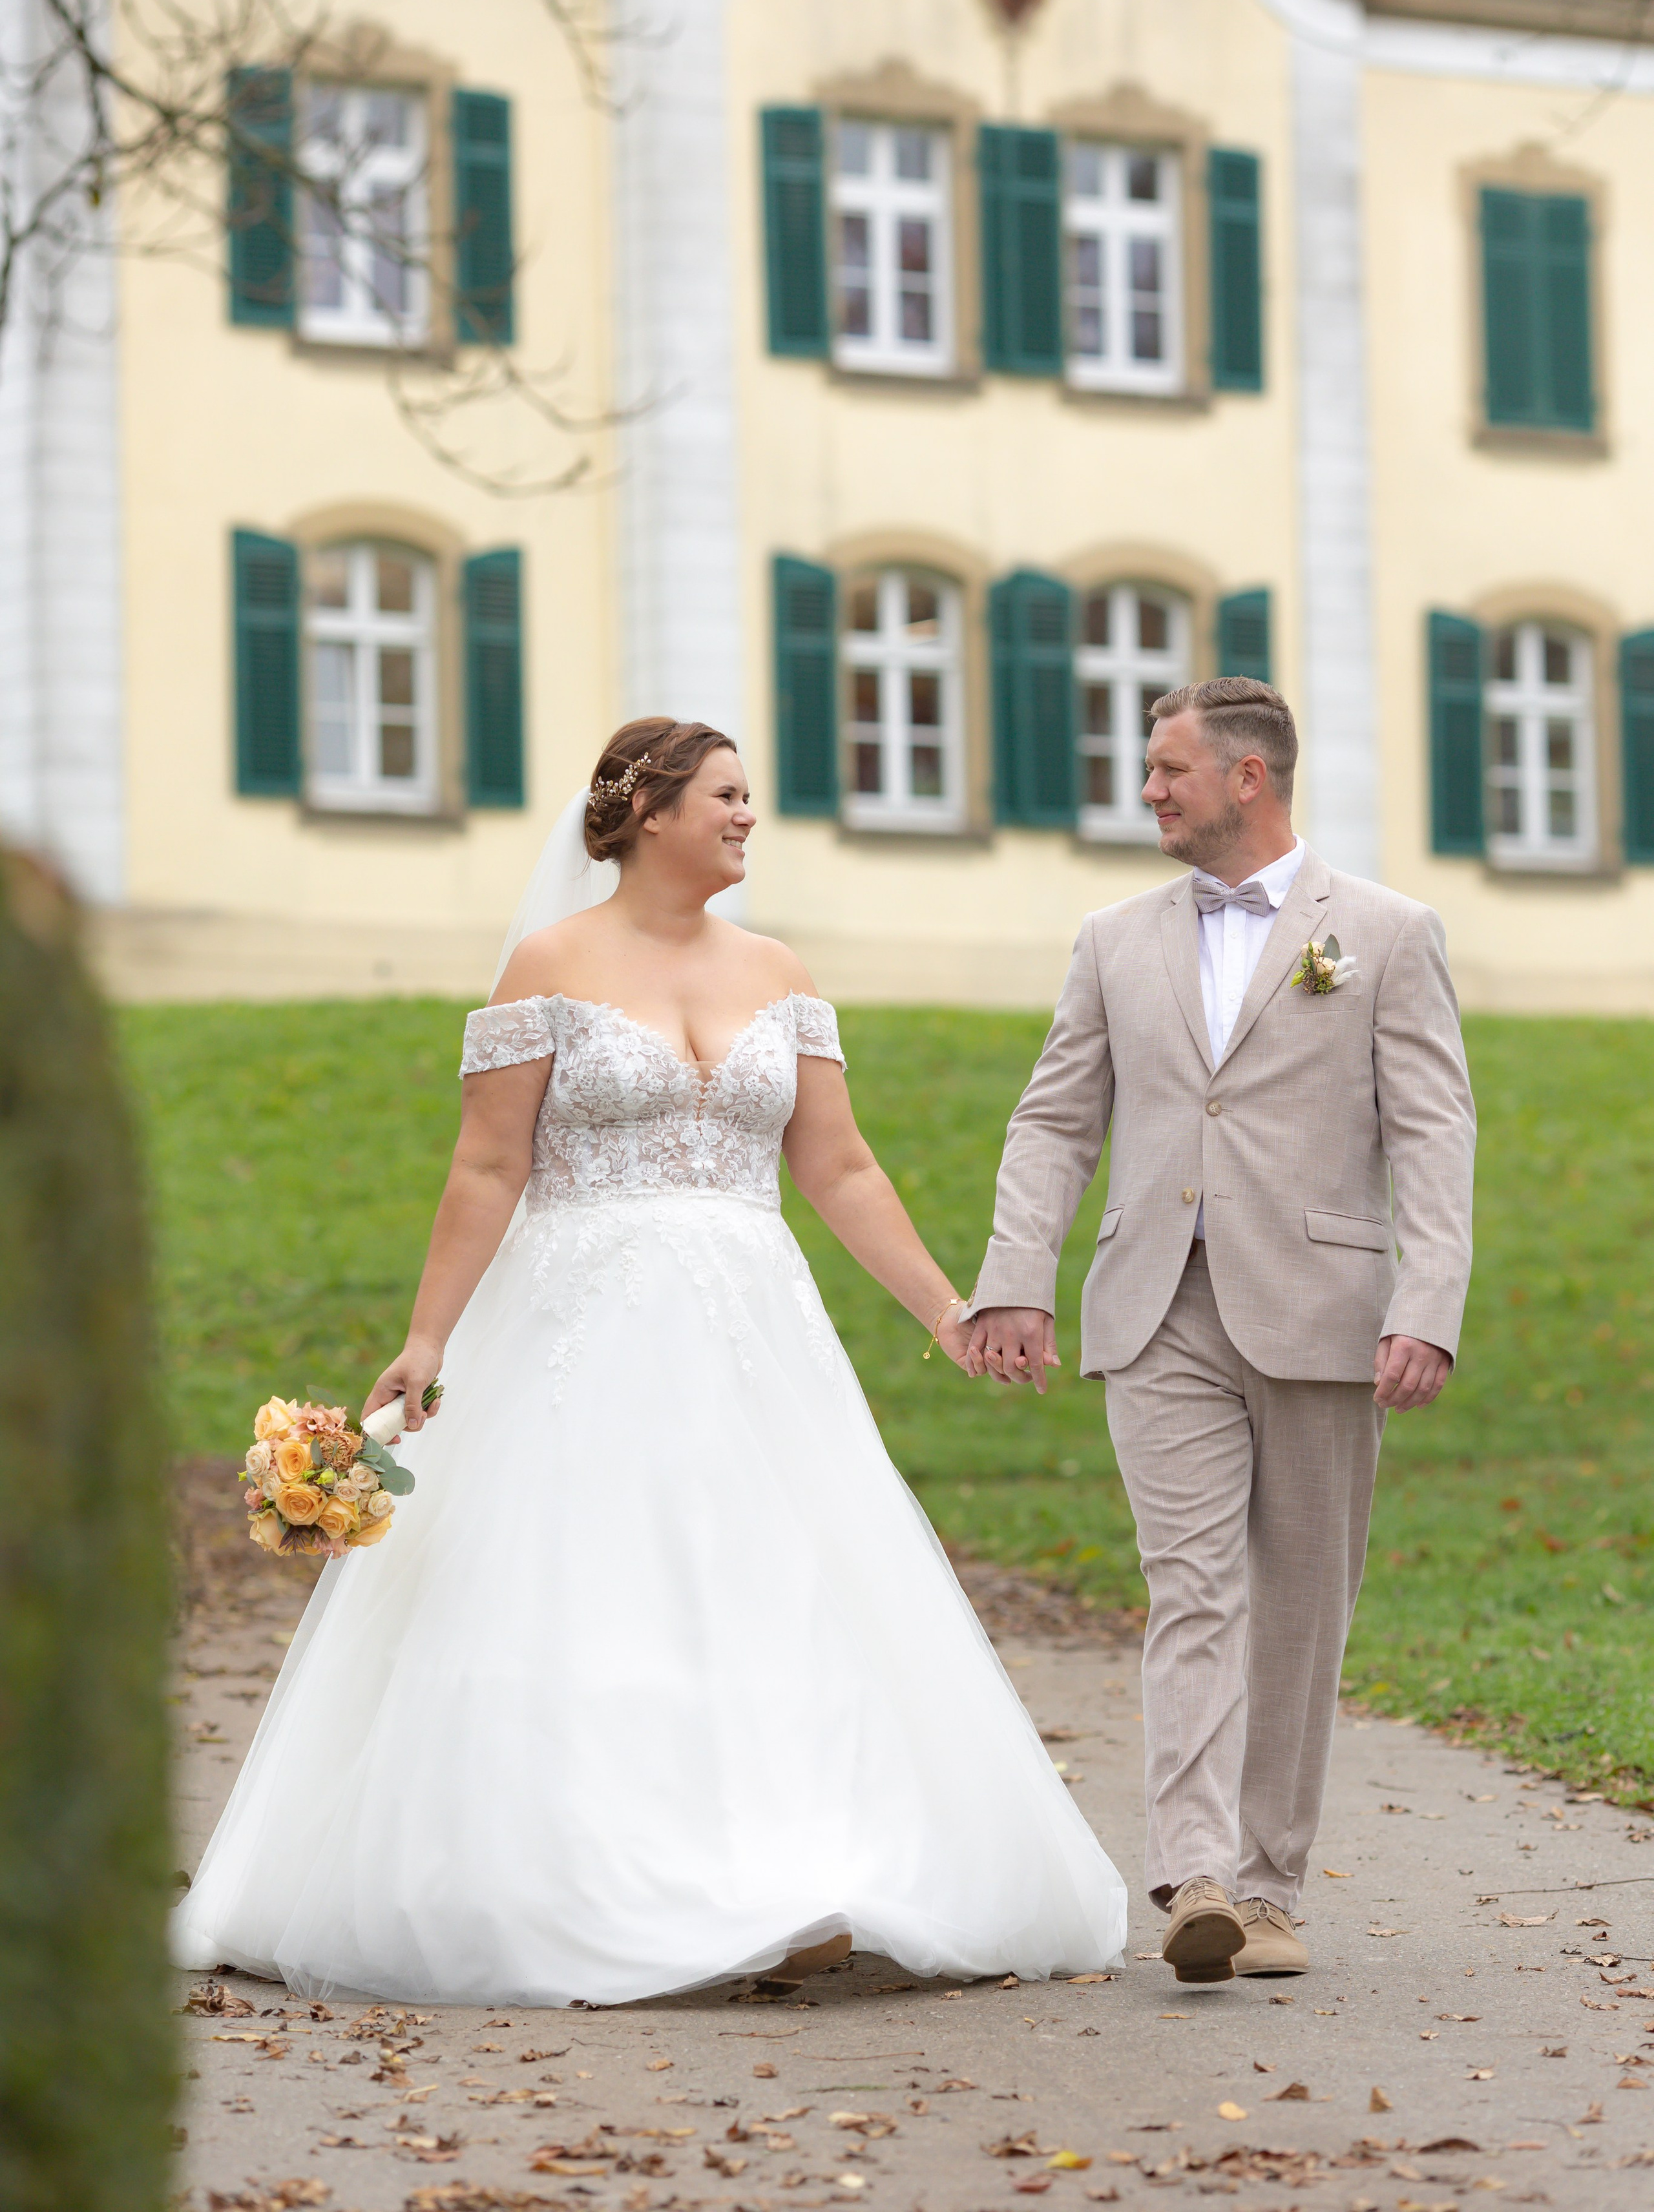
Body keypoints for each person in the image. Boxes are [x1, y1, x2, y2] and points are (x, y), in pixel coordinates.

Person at [174, 717, 1127, 2005]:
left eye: (747, 798)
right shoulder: (547, 966)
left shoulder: (779, 970)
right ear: (649, 810)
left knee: (771, 1579)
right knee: (590, 1579)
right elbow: (489, 1164)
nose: (747, 817)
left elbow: (836, 1165)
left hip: (749, 1324)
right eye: (727, 796)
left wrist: (945, 1306)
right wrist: (427, 1335)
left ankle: (800, 1867)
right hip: (579, 1321)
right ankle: (574, 1873)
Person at [966, 678, 1474, 1986]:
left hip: (1321, 1314)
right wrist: (1013, 1274)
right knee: (1189, 1587)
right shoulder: (1110, 939)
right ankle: (1191, 1874)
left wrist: (1425, 1304)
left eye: (1166, 768)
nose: (1146, 789)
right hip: (1152, 1309)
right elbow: (1052, 1120)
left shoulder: (1384, 932)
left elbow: (1429, 1131)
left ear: (1246, 778)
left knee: (1300, 1607)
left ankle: (1268, 1890)